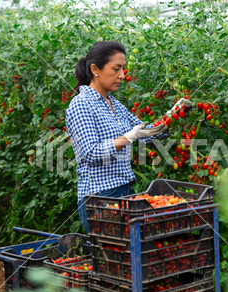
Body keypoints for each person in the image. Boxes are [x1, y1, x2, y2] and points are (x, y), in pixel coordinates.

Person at [65, 41, 169, 233]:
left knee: (129, 257)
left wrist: (174, 115)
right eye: (116, 69)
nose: (122, 75)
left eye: (123, 69)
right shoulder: (81, 105)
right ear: (95, 69)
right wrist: (129, 136)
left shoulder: (113, 103)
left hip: (125, 192)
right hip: (100, 198)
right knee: (113, 259)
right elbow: (91, 153)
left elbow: (144, 133)